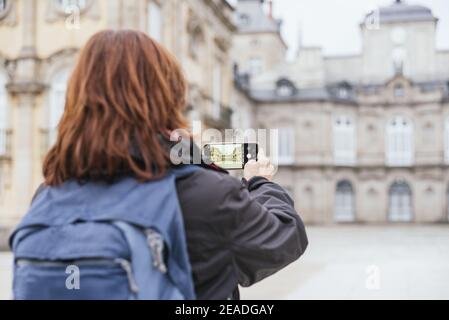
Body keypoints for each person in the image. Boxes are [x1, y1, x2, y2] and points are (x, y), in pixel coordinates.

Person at [10, 30, 308, 300]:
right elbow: (284, 239)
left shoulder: (48, 194)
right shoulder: (204, 195)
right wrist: (260, 183)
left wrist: (182, 153)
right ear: (167, 96)